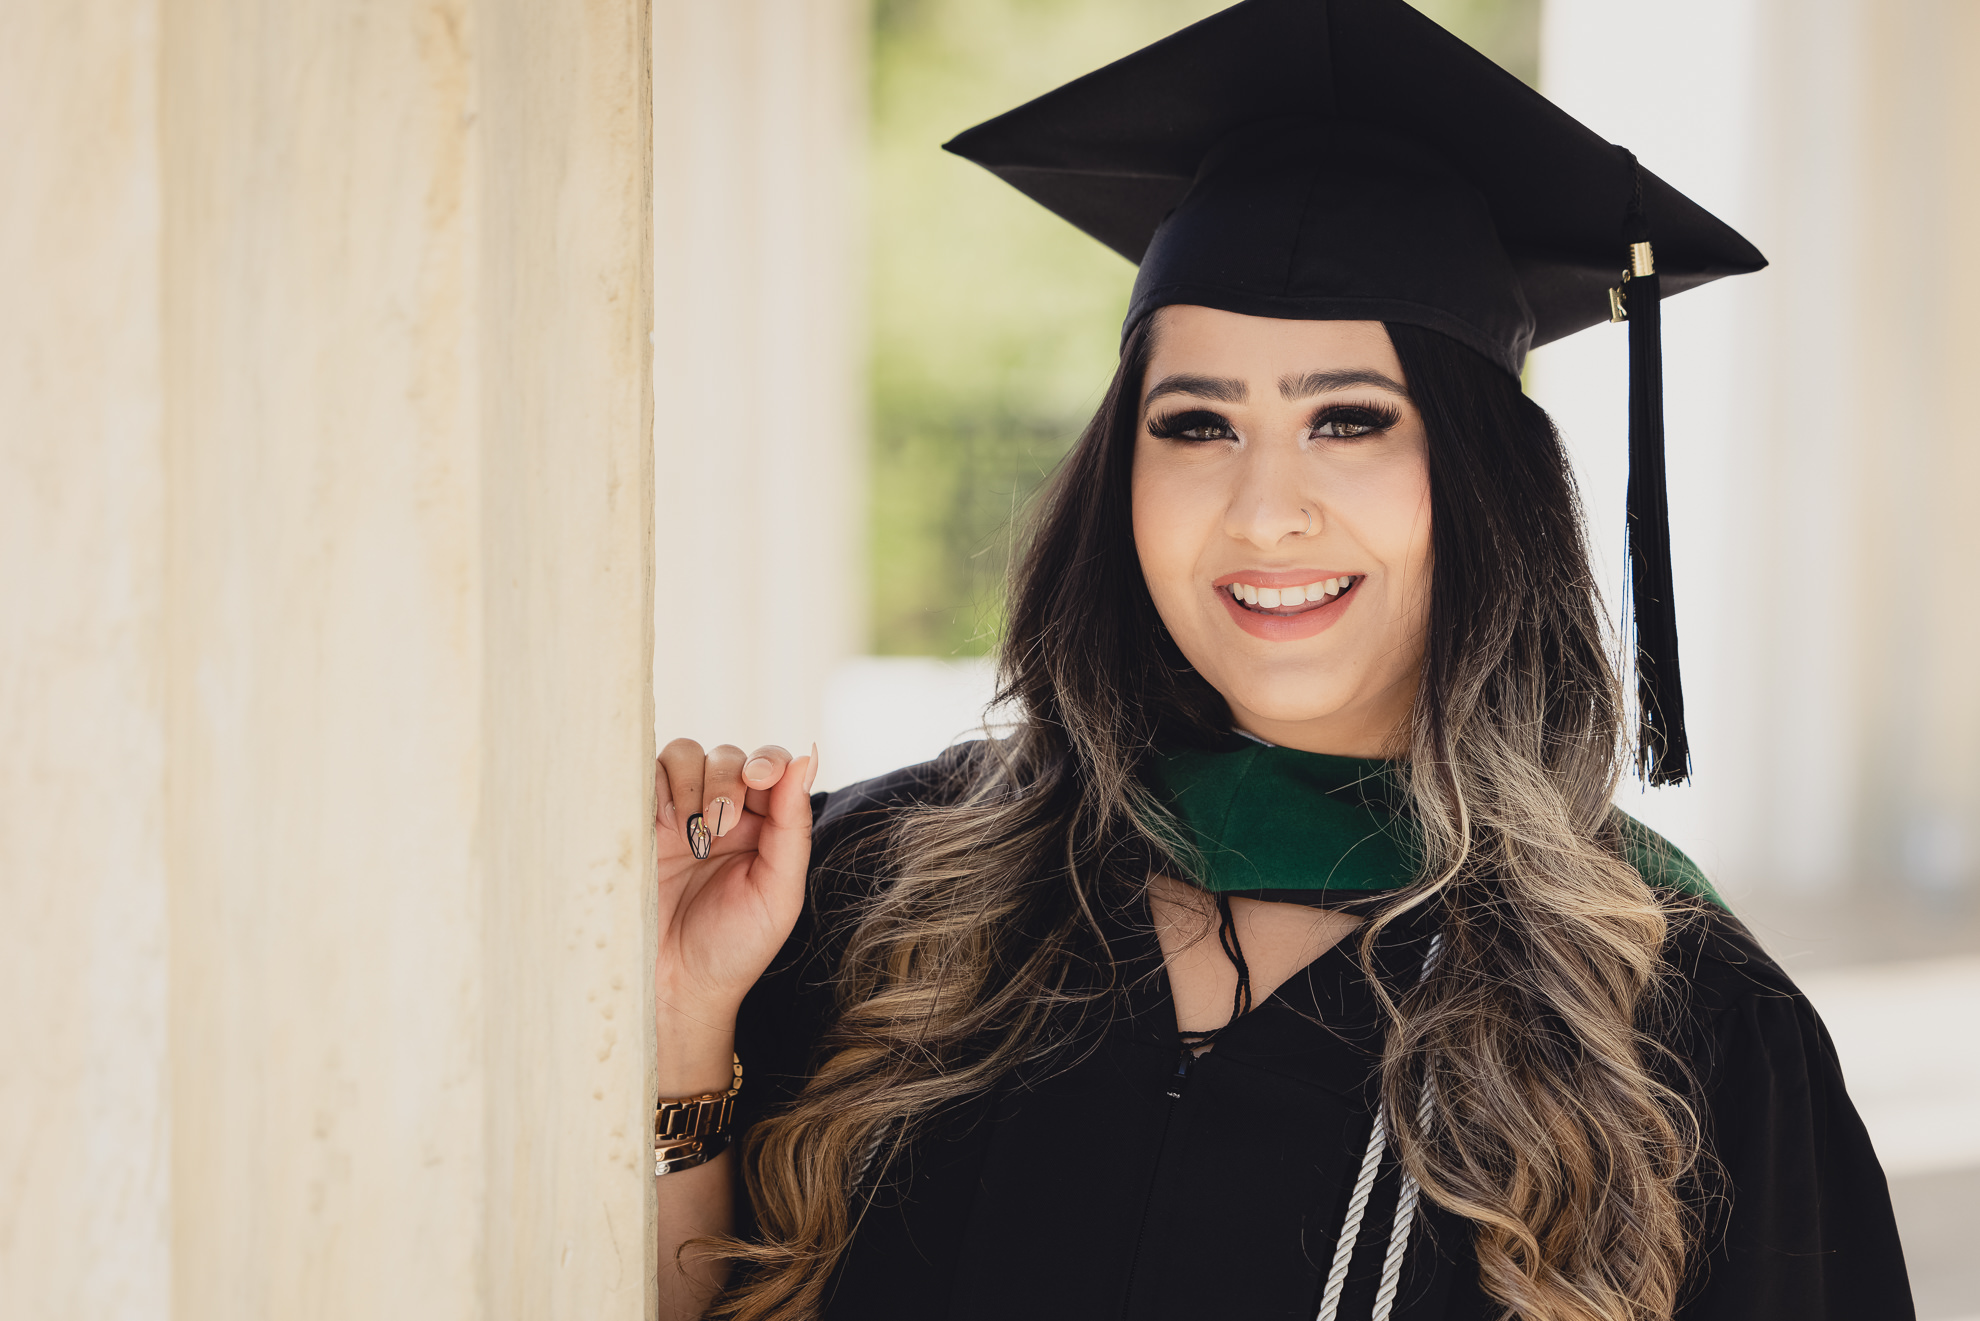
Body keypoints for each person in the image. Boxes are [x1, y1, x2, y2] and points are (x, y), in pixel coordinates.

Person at [650, 2, 1912, 1318]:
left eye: (1350, 420)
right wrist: (685, 1017)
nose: (1262, 509)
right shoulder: (880, 899)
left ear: (1483, 483)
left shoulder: (1675, 1023)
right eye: (1196, 424)